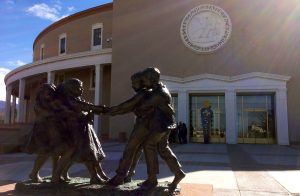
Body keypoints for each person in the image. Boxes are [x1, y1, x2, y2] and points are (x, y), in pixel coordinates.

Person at [51, 78, 108, 184]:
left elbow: (85, 107)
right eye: (79, 87)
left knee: (85, 152)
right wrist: (99, 109)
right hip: (74, 131)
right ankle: (57, 176)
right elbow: (83, 107)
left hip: (83, 129)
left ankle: (95, 175)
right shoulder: (68, 100)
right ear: (71, 89)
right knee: (80, 152)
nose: (82, 89)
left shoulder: (76, 99)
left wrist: (93, 111)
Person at [139, 67, 185, 190]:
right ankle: (178, 173)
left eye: (144, 80)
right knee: (163, 149)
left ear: (152, 79)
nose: (143, 83)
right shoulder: (160, 88)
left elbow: (142, 106)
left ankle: (152, 179)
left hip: (161, 125)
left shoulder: (158, 94)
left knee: (149, 145)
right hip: (165, 124)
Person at [106, 72, 152, 186]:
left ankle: (120, 176)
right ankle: (128, 175)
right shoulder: (146, 94)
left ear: (141, 83)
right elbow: (127, 108)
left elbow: (125, 106)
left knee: (129, 150)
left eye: (134, 83)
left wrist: (106, 110)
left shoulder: (142, 94)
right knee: (136, 152)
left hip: (143, 126)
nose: (132, 86)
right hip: (146, 126)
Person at [25, 83, 71, 182]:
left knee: (57, 153)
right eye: (47, 92)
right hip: (43, 133)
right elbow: (47, 114)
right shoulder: (38, 105)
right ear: (41, 94)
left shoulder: (53, 104)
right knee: (44, 154)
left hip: (55, 133)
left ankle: (56, 174)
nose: (49, 94)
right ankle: (34, 173)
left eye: (51, 93)